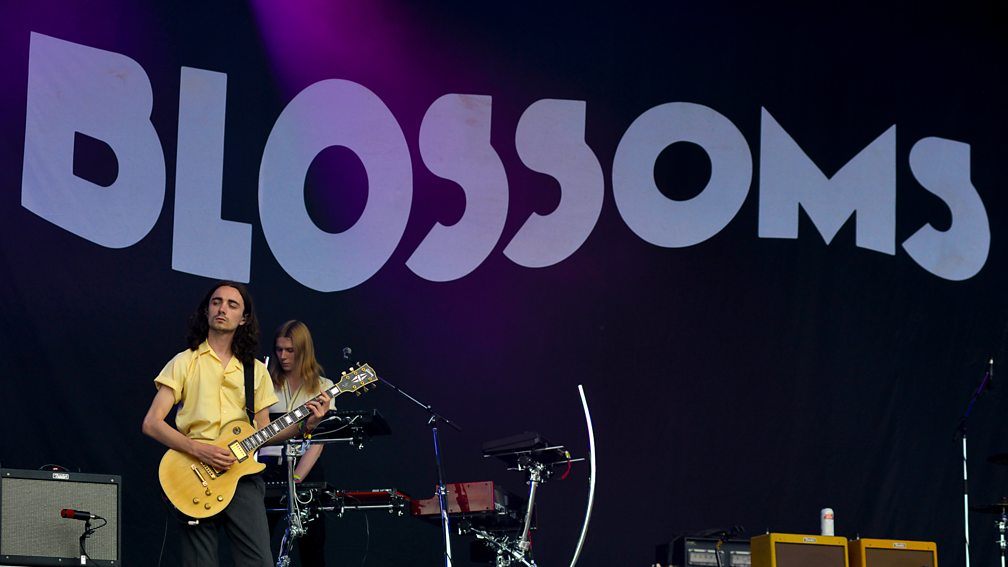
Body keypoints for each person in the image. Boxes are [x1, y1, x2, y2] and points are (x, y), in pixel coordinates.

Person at [142, 281, 330, 567]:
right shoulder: (185, 361)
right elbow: (152, 423)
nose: (222, 309)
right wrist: (199, 449)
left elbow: (264, 432)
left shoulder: (255, 370)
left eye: (232, 304)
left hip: (242, 476)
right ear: (206, 311)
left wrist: (308, 426)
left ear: (243, 318)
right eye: (216, 302)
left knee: (259, 562)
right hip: (193, 471)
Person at [260, 320, 336, 566]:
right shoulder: (264, 384)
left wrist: (297, 478)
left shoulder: (324, 387)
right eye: (279, 349)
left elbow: (319, 441)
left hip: (307, 469)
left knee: (313, 548)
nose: (282, 356)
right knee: (257, 544)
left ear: (304, 350)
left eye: (289, 350)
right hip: (266, 467)